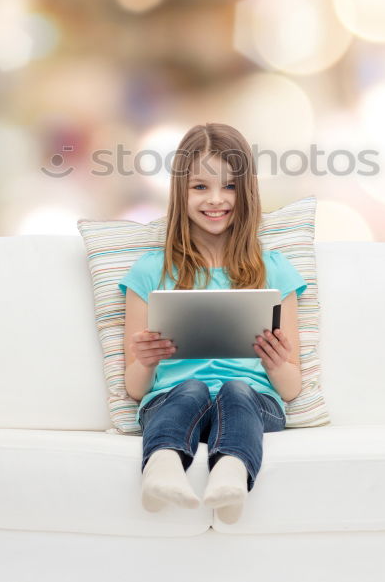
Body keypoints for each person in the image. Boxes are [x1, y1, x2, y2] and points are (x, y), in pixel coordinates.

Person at [118, 122, 307, 524]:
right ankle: (162, 468)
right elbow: (135, 388)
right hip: (173, 401)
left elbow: (291, 388)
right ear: (180, 192)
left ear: (246, 192)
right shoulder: (151, 271)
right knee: (191, 387)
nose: (216, 200)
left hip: (254, 403)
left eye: (229, 187)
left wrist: (276, 364)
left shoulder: (274, 271)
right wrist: (147, 361)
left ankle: (232, 475)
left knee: (237, 390)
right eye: (200, 187)